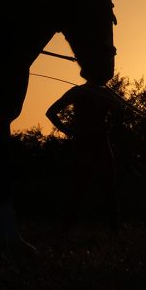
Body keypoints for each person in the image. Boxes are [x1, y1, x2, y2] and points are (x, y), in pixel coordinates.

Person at [45, 83, 121, 233]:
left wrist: (68, 131)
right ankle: (67, 228)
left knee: (107, 186)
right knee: (81, 186)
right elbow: (51, 112)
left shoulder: (102, 93)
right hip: (86, 144)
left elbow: (118, 116)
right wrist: (67, 131)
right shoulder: (79, 91)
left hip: (99, 143)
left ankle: (113, 229)